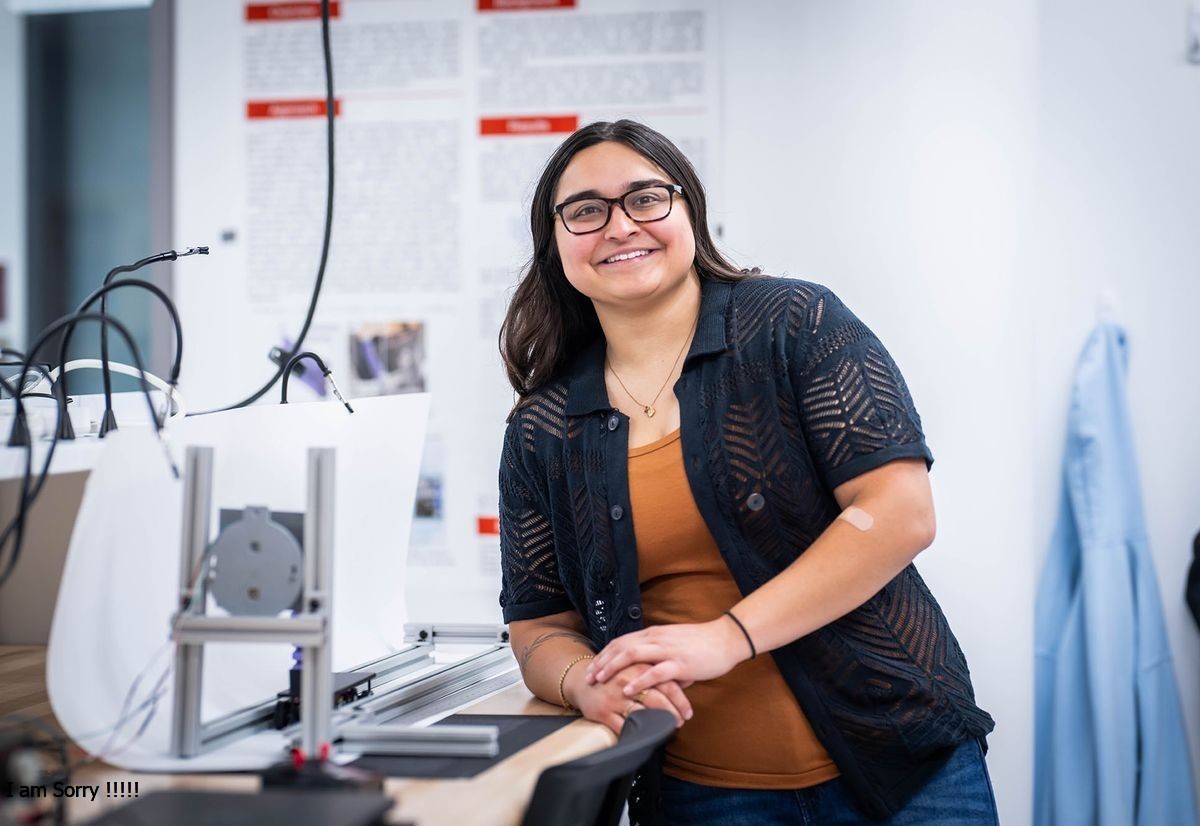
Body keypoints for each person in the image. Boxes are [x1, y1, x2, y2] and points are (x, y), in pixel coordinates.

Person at [496, 119, 997, 825]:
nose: (618, 226)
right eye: (585, 211)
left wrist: (724, 637)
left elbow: (901, 511)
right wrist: (583, 683)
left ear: (689, 213)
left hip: (901, 764)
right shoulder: (542, 429)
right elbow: (539, 627)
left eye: (645, 198)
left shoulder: (795, 324)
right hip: (704, 795)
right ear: (555, 244)